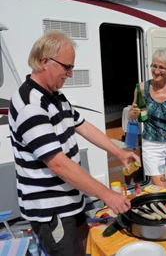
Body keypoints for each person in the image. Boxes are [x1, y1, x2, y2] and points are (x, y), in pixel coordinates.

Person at [8, 31, 140, 256]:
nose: (70, 74)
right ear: (44, 62)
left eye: (72, 67)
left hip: (70, 200)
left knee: (86, 248)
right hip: (52, 211)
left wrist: (118, 152)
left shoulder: (54, 95)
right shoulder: (31, 105)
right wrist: (107, 195)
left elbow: (82, 125)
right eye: (66, 67)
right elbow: (58, 164)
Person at [128, 48, 166, 189]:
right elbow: (132, 115)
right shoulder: (142, 88)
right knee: (162, 189)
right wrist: (133, 112)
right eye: (154, 66)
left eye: (161, 67)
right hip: (152, 143)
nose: (156, 71)